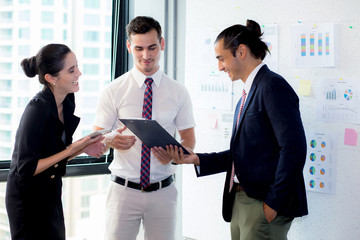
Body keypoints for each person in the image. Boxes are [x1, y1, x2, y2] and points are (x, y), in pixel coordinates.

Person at [160, 20, 308, 240]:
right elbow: (244, 154)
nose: (219, 67)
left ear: (241, 51)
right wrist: (194, 159)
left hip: (262, 203)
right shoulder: (246, 96)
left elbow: (294, 149)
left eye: (221, 58)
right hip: (240, 200)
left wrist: (272, 204)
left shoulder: (272, 86)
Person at [93, 16, 196, 240]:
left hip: (163, 192)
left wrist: (177, 155)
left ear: (162, 44)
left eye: (152, 48)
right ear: (129, 46)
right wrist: (108, 140)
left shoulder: (178, 91)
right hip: (123, 192)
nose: (146, 56)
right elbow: (96, 140)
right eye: (139, 48)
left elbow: (189, 139)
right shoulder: (113, 90)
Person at [5, 43, 105, 240]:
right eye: (71, 70)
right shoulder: (36, 110)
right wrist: (73, 149)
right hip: (27, 198)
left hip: (50, 191)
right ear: (51, 78)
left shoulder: (67, 102)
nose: (79, 73)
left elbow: (54, 156)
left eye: (77, 66)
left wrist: (83, 148)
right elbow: (26, 168)